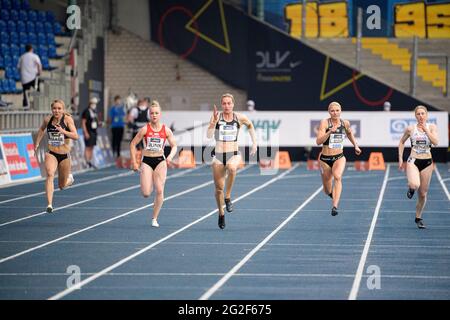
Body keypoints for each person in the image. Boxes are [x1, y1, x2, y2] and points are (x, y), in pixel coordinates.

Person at [207, 93, 258, 229]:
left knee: (232, 168)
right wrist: (213, 122)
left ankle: (228, 197)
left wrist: (254, 143)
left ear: (233, 104)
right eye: (224, 103)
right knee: (218, 190)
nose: (226, 106)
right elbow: (209, 135)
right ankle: (221, 213)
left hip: (233, 153)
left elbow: (250, 126)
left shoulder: (239, 118)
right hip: (218, 155)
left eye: (229, 103)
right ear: (221, 105)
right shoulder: (217, 117)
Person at [130, 101, 177, 227]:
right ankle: (148, 182)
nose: (154, 115)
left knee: (160, 190)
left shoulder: (166, 130)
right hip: (146, 161)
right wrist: (134, 162)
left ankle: (154, 218)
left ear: (160, 114)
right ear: (149, 115)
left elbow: (174, 146)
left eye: (156, 113)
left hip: (160, 161)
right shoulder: (145, 129)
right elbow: (133, 144)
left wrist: (170, 157)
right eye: (152, 113)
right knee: (146, 193)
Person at [316, 101, 361, 216]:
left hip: (339, 157)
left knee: (337, 176)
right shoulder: (324, 123)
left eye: (337, 110)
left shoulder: (345, 123)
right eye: (332, 111)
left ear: (340, 111)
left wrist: (355, 145)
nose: (335, 113)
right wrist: (330, 131)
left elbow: (349, 133)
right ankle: (332, 194)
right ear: (329, 112)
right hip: (325, 159)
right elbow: (318, 141)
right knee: (327, 190)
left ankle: (335, 206)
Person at [34, 100, 79, 213]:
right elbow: (41, 129)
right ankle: (49, 204)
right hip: (51, 153)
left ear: (63, 110)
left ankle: (69, 179)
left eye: (59, 108)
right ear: (51, 109)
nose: (56, 110)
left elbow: (75, 136)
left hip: (64, 155)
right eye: (54, 108)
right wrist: (37, 143)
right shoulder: (48, 120)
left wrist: (63, 131)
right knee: (49, 174)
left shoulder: (67, 120)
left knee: (62, 185)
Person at [398, 105, 438, 229]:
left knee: (423, 194)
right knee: (415, 184)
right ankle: (411, 188)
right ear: (415, 116)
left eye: (422, 114)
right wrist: (400, 158)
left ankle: (418, 218)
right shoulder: (411, 129)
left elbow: (436, 142)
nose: (420, 116)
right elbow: (401, 142)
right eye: (418, 114)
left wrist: (426, 130)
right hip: (413, 160)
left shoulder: (432, 127)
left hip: (427, 162)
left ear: (426, 115)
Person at [17, 44, 42, 108]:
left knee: (25, 93)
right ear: (31, 49)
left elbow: (18, 67)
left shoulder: (22, 57)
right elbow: (39, 64)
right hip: (33, 77)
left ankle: (25, 106)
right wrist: (39, 72)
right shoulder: (34, 56)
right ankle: (38, 104)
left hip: (24, 78)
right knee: (37, 90)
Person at [81, 97, 100, 168]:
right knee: (87, 146)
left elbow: (96, 121)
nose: (94, 105)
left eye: (95, 103)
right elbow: (83, 122)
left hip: (94, 131)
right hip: (88, 131)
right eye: (93, 103)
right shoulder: (86, 111)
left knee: (92, 146)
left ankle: (90, 161)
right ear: (90, 103)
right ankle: (86, 161)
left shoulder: (94, 111)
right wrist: (85, 132)